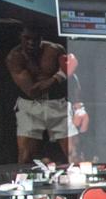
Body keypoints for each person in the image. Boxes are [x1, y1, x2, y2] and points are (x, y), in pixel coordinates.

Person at [5, 25, 79, 163]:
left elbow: (72, 76)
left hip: (57, 104)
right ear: (20, 37)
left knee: (73, 154)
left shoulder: (55, 50)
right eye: (27, 38)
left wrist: (79, 106)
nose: (31, 43)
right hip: (30, 106)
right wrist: (61, 75)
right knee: (25, 156)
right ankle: (23, 184)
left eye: (35, 39)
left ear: (42, 38)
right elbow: (33, 91)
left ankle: (81, 183)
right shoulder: (14, 58)